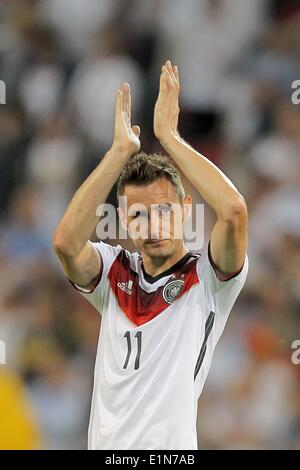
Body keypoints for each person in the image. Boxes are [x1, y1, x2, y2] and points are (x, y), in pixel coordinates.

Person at [53, 60, 249, 450]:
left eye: (164, 210)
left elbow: (234, 212)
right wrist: (118, 153)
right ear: (124, 221)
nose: (154, 225)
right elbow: (65, 244)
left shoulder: (207, 277)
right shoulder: (113, 272)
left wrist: (171, 137)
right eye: (139, 215)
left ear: (185, 209)